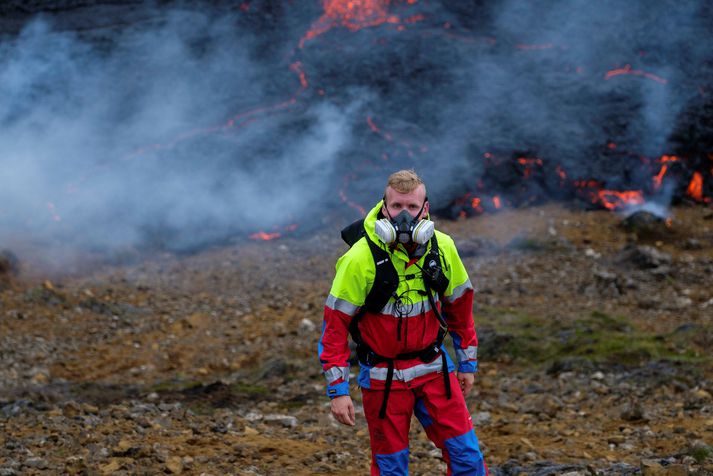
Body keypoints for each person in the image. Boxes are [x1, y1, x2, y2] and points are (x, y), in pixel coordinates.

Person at [318, 169, 488, 475]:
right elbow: (334, 329)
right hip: (383, 378)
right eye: (397, 207)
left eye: (412, 207)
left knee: (468, 460)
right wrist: (338, 390)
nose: (404, 216)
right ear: (384, 207)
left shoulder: (442, 247)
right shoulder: (359, 259)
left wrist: (467, 364)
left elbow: (461, 309)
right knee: (390, 468)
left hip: (435, 371)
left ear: (426, 209)